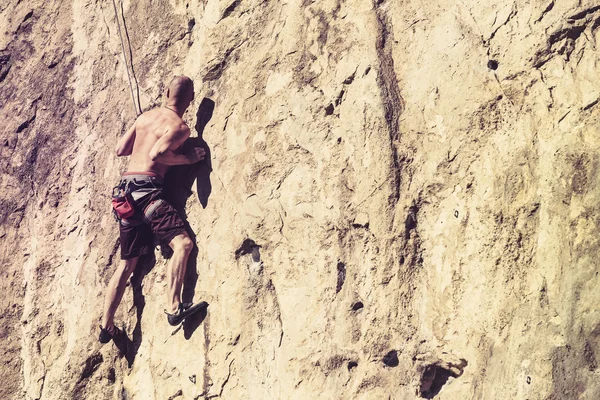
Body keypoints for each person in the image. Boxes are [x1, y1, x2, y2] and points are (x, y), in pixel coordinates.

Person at [99, 75, 207, 344]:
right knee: (182, 245)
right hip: (147, 192)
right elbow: (157, 154)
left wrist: (142, 133)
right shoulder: (180, 127)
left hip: (124, 193)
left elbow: (120, 149)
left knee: (127, 265)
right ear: (190, 100)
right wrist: (187, 158)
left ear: (165, 91)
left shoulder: (144, 117)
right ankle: (174, 307)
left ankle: (106, 325)